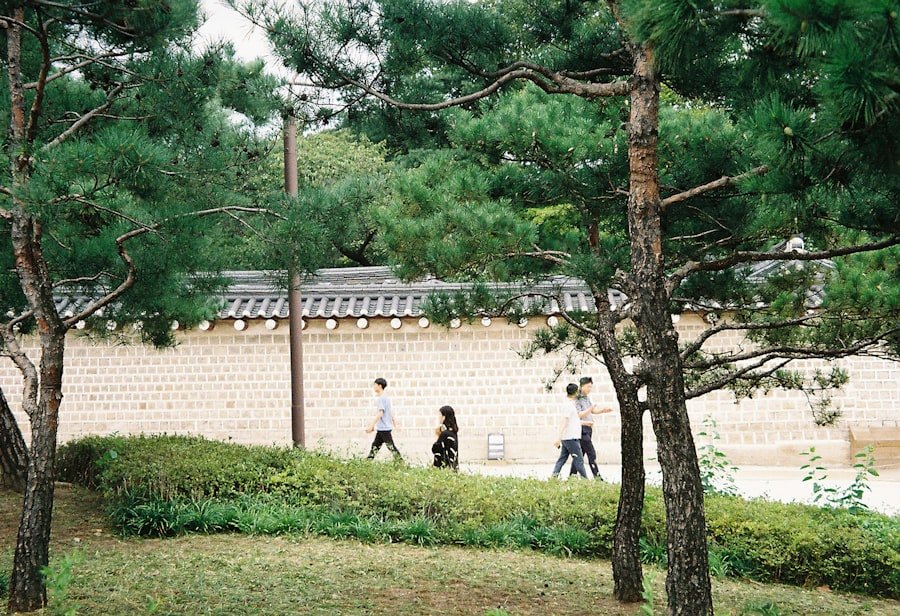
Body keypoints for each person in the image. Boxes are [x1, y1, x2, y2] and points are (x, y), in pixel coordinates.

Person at [569, 376, 613, 480]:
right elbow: (579, 414)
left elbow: (593, 410)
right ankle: (597, 477)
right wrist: (590, 409)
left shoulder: (586, 398)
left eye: (591, 387)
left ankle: (572, 476)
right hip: (582, 429)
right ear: (582, 386)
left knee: (580, 454)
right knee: (591, 453)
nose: (590, 389)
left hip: (588, 429)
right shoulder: (577, 399)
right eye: (588, 387)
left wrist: (603, 410)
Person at [551, 383, 588, 479]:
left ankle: (553, 477)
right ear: (575, 392)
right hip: (571, 438)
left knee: (562, 459)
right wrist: (558, 438)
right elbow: (564, 421)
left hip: (568, 437)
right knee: (579, 460)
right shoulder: (568, 405)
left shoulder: (569, 404)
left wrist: (585, 423)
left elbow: (573, 421)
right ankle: (586, 480)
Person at [366, 377, 402, 461]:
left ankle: (401, 462)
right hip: (383, 428)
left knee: (391, 447)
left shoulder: (381, 399)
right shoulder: (386, 398)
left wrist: (371, 425)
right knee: (375, 446)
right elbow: (390, 413)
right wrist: (395, 424)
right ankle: (367, 461)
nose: (374, 387)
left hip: (384, 428)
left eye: (375, 385)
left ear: (380, 386)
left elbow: (380, 413)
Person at [432, 405, 459, 470]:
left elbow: (435, 449)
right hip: (453, 467)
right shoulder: (453, 433)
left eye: (440, 416)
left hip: (444, 468)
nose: (439, 418)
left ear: (444, 417)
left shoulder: (445, 434)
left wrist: (438, 435)